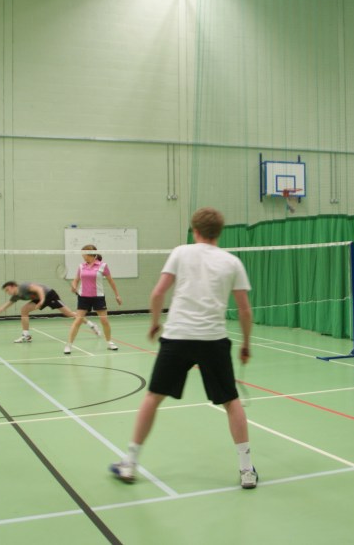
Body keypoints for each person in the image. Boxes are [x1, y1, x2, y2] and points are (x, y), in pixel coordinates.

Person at [110, 207, 257, 489]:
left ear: (195, 230)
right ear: (219, 232)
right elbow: (244, 310)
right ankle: (246, 470)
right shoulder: (232, 262)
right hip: (213, 340)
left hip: (177, 336)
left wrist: (155, 323)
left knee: (153, 397)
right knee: (231, 401)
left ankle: (129, 463)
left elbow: (158, 293)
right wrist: (246, 344)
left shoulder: (180, 252)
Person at [64, 245, 122, 354]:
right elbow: (76, 280)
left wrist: (117, 295)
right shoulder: (81, 266)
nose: (82, 255)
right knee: (78, 321)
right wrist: (74, 285)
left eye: (83, 253)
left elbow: (111, 281)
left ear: (90, 253)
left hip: (98, 297)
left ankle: (109, 342)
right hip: (83, 297)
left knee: (104, 321)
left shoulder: (103, 266)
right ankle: (69, 345)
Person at [0, 281, 77, 343]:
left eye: (8, 290)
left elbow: (39, 289)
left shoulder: (23, 287)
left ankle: (84, 320)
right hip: (38, 299)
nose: (8, 292)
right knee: (24, 310)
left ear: (13, 286)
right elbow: (3, 307)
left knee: (69, 314)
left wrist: (42, 300)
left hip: (49, 295)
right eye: (6, 291)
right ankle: (26, 335)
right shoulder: (16, 296)